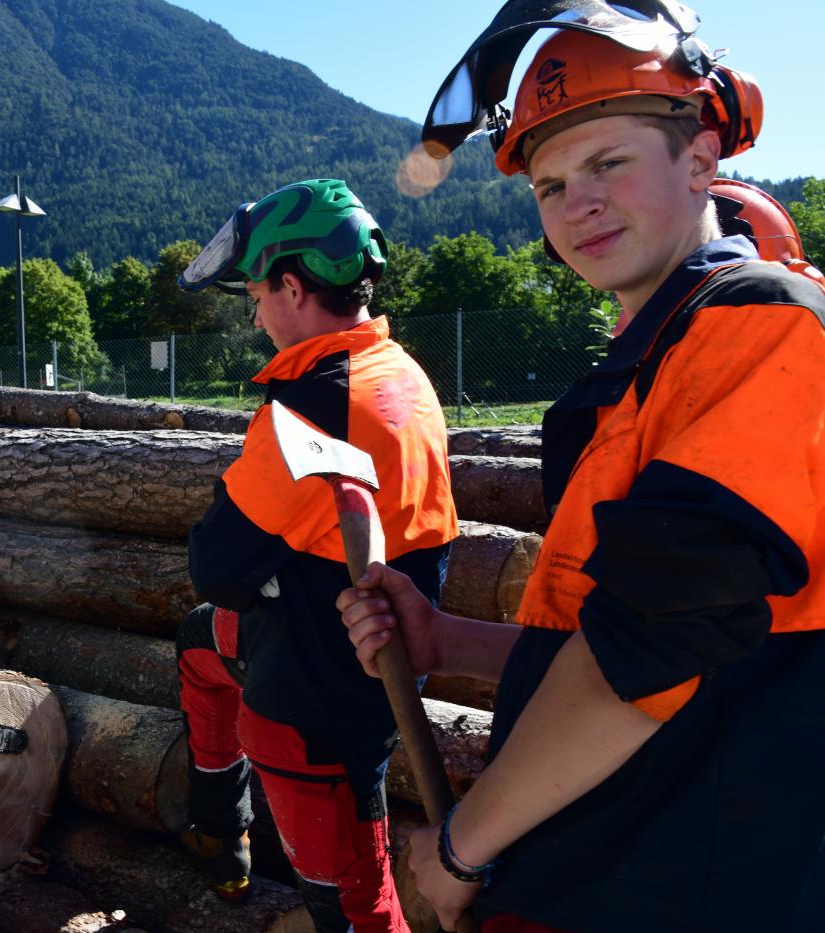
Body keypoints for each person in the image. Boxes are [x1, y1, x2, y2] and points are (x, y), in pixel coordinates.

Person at [340, 12, 825, 933]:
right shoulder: (654, 358)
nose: (578, 204)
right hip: (609, 872)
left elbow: (646, 651)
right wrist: (446, 640)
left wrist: (462, 847)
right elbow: (629, 635)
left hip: (676, 888)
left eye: (609, 163)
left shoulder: (764, 325)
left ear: (700, 159)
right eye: (552, 185)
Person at [173, 179, 459, 932]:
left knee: (354, 907)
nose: (257, 314)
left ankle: (236, 846)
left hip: (312, 704)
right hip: (360, 651)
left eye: (257, 295)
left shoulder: (311, 404)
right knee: (200, 642)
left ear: (293, 288)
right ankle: (219, 827)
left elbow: (217, 566)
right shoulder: (397, 369)